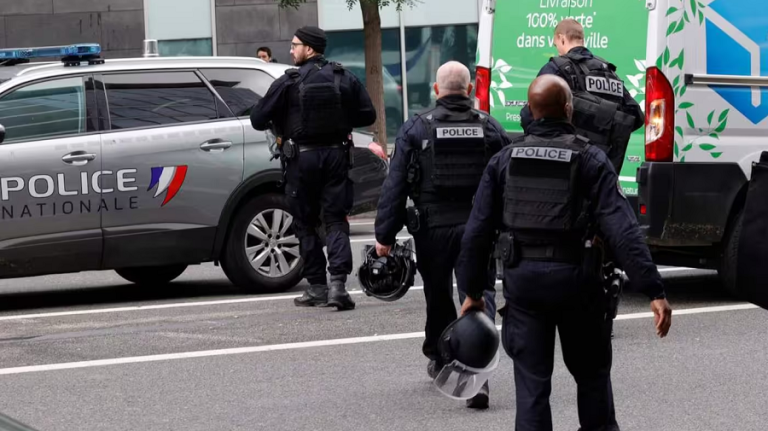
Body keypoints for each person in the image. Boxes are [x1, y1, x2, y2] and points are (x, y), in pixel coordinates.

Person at [456, 74, 673, 430]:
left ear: (530, 111)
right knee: (592, 379)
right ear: (569, 110)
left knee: (532, 387)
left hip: (524, 285)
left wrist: (473, 293)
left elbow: (477, 232)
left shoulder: (504, 160)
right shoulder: (591, 159)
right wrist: (653, 290)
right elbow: (622, 229)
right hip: (579, 284)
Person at [374, 61, 508, 409]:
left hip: (432, 230)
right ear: (470, 90)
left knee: (437, 295)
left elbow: (396, 184)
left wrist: (384, 236)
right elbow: (508, 182)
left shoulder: (417, 128)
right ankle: (476, 373)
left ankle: (440, 355)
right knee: (478, 296)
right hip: (477, 229)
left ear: (437, 91)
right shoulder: (490, 128)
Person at [251, 26, 376, 311]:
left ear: (309, 48)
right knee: (335, 220)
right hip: (335, 157)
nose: (291, 50)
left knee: (305, 223)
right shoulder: (343, 76)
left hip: (301, 161)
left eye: (295, 45)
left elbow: (258, 118)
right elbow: (368, 114)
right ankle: (339, 287)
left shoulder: (289, 81)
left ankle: (317, 287)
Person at [520, 18, 644, 175]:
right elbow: (636, 116)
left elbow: (529, 115)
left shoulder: (557, 68)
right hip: (601, 169)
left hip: (565, 167)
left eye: (555, 43)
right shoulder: (610, 73)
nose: (557, 48)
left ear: (561, 38)